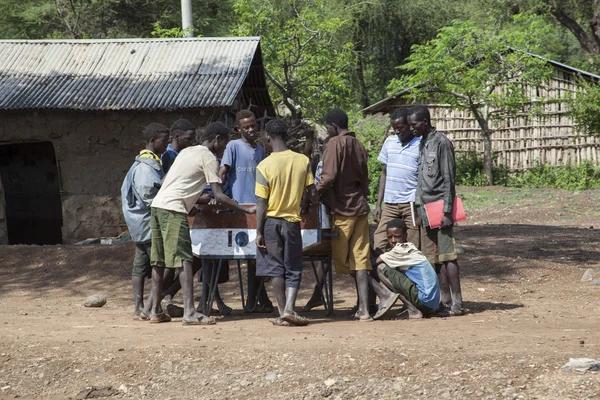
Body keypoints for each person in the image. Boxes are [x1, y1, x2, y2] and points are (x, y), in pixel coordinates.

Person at [149, 122, 255, 325]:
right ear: (217, 140)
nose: (224, 149)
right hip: (173, 209)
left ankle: (155, 311)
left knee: (159, 261)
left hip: (158, 207)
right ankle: (189, 313)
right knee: (185, 260)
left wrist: (193, 200)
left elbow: (177, 184)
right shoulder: (209, 158)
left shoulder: (188, 151)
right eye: (223, 144)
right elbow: (218, 194)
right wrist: (245, 209)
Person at [407, 105, 465, 316]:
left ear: (425, 121)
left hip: (439, 208)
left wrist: (447, 212)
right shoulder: (423, 143)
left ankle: (457, 303)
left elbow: (449, 178)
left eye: (414, 124)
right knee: (435, 257)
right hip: (424, 209)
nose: (411, 128)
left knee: (448, 255)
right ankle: (444, 300)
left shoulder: (441, 143)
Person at [255, 119, 314, 326]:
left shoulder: (263, 165)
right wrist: (304, 203)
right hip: (292, 222)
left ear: (268, 138)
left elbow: (261, 201)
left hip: (271, 222)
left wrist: (259, 230)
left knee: (275, 268)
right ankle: (289, 309)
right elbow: (310, 193)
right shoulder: (302, 161)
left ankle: (283, 313)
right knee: (293, 267)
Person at [316, 108, 373, 322]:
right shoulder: (359, 145)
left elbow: (328, 176)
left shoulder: (334, 144)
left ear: (333, 126)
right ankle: (365, 310)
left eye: (327, 126)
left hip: (342, 210)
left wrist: (314, 193)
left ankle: (381, 292)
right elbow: (365, 179)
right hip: (360, 207)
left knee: (343, 260)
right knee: (361, 260)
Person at [219, 110, 274, 313]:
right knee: (250, 256)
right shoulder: (233, 146)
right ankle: (256, 299)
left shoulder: (260, 150)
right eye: (246, 127)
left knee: (258, 254)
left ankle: (257, 299)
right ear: (238, 129)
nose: (250, 130)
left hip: (258, 207)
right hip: (240, 208)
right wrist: (221, 195)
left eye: (253, 126)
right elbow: (223, 172)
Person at [121, 123, 169, 320]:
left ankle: (139, 307)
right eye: (163, 141)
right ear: (152, 141)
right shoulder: (145, 167)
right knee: (160, 263)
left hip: (139, 223)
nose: (165, 145)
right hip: (147, 222)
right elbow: (147, 194)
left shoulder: (146, 163)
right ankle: (152, 307)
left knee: (140, 264)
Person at [373, 108, 421, 254]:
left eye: (400, 128)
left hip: (411, 203)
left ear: (409, 125)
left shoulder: (420, 143)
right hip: (390, 203)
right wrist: (378, 204)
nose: (396, 132)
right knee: (379, 242)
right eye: (394, 129)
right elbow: (384, 173)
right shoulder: (390, 141)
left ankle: (409, 275)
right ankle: (388, 275)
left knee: (412, 245)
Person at [373, 218, 440, 319]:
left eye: (397, 237)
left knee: (381, 268)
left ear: (405, 235)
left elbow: (373, 263)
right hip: (432, 304)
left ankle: (413, 310)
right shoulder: (409, 247)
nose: (393, 240)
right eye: (389, 237)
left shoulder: (400, 250)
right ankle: (413, 306)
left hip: (425, 302)